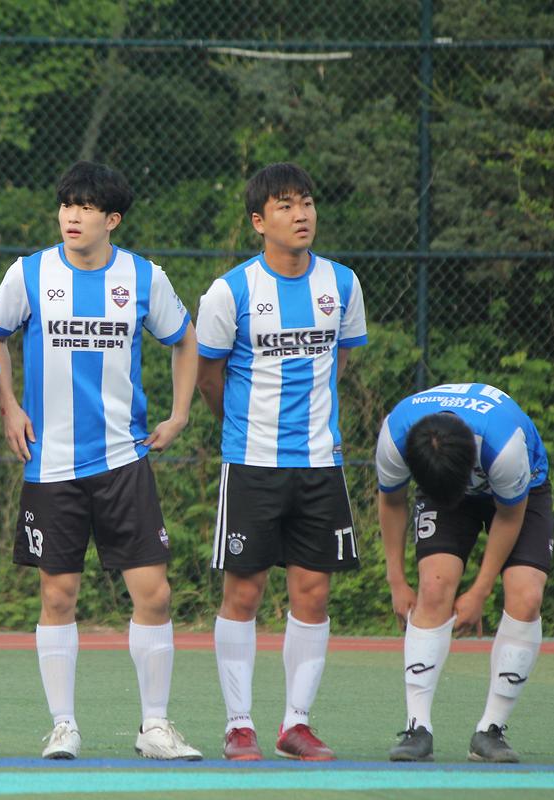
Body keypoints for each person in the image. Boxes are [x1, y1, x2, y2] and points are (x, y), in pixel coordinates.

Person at [0, 161, 201, 761]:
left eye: (86, 207)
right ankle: (63, 726)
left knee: (154, 594)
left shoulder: (142, 276)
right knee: (58, 595)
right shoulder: (29, 273)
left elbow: (184, 339)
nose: (72, 217)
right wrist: (9, 406)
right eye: (66, 205)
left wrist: (180, 413)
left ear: (113, 219)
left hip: (122, 460)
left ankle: (155, 726)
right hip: (51, 463)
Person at [196, 162, 367, 761]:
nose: (301, 215)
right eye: (286, 205)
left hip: (320, 463)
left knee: (313, 593)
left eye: (307, 202)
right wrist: (243, 428)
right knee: (243, 593)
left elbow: (340, 361)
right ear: (258, 221)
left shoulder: (342, 284)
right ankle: (238, 725)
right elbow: (209, 376)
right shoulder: (231, 291)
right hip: (252, 464)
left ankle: (296, 724)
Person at [377, 382, 551, 763]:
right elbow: (391, 501)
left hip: (521, 492)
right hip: (448, 478)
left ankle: (490, 731)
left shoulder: (504, 446)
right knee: (434, 586)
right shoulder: (396, 434)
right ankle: (417, 727)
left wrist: (480, 590)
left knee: (526, 596)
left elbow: (509, 515)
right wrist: (396, 580)